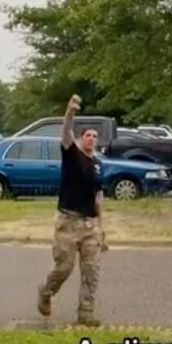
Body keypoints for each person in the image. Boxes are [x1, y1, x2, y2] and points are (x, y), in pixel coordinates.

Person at [38, 94, 108, 327]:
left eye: (95, 136)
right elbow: (66, 132)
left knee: (92, 272)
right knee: (64, 268)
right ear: (80, 138)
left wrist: (102, 228)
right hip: (68, 223)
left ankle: (86, 314)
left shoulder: (97, 164)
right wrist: (70, 112)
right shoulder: (71, 155)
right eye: (88, 135)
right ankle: (46, 292)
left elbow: (98, 197)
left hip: (90, 226)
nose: (92, 139)